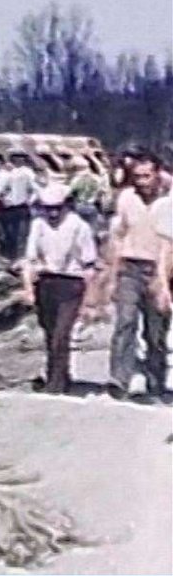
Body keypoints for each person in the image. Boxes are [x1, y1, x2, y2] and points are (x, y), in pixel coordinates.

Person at [106, 153, 172, 400]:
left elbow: (170, 245)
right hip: (130, 267)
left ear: (157, 175)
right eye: (137, 177)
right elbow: (118, 235)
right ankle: (119, 379)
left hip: (160, 269)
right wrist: (111, 273)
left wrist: (163, 280)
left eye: (147, 176)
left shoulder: (169, 202)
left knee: (155, 331)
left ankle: (156, 380)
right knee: (125, 322)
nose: (142, 182)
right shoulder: (126, 199)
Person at [22, 183, 98, 394]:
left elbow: (89, 264)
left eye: (58, 208)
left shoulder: (79, 226)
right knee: (50, 332)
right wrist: (28, 288)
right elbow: (29, 259)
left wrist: (89, 299)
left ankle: (56, 385)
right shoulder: (38, 225)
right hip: (46, 282)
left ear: (67, 205)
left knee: (61, 334)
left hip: (70, 283)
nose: (53, 213)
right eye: (48, 208)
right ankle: (58, 373)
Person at [0, 154, 37, 260]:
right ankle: (9, 258)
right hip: (6, 208)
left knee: (21, 235)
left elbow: (35, 189)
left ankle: (20, 259)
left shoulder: (27, 172)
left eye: (20, 158)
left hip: (21, 207)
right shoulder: (3, 173)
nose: (18, 160)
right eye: (15, 158)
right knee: (8, 235)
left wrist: (30, 201)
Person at [68, 156, 102, 230]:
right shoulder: (96, 178)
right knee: (92, 231)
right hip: (92, 206)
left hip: (79, 206)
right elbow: (100, 193)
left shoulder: (76, 180)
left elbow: (70, 193)